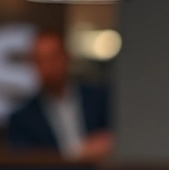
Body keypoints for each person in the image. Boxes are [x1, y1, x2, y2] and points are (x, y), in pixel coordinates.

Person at [7, 31, 111, 160]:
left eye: (52, 57)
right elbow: (26, 161)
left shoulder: (100, 98)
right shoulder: (22, 117)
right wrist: (77, 153)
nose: (47, 66)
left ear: (67, 57)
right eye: (39, 60)